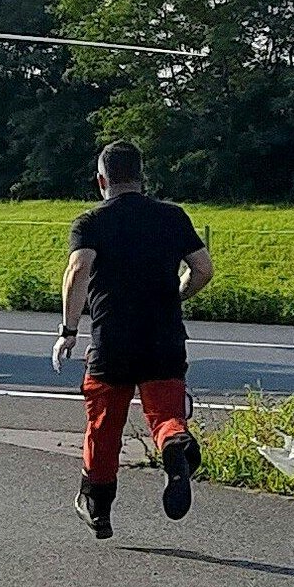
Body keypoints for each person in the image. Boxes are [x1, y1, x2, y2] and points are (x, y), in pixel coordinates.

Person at [52, 140, 214, 538]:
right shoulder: (172, 217)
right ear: (142, 177)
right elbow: (203, 269)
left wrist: (69, 331)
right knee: (165, 416)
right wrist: (178, 293)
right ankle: (176, 446)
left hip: (113, 341)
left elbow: (78, 270)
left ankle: (98, 506)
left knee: (104, 427)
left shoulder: (91, 221)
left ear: (102, 180)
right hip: (164, 338)